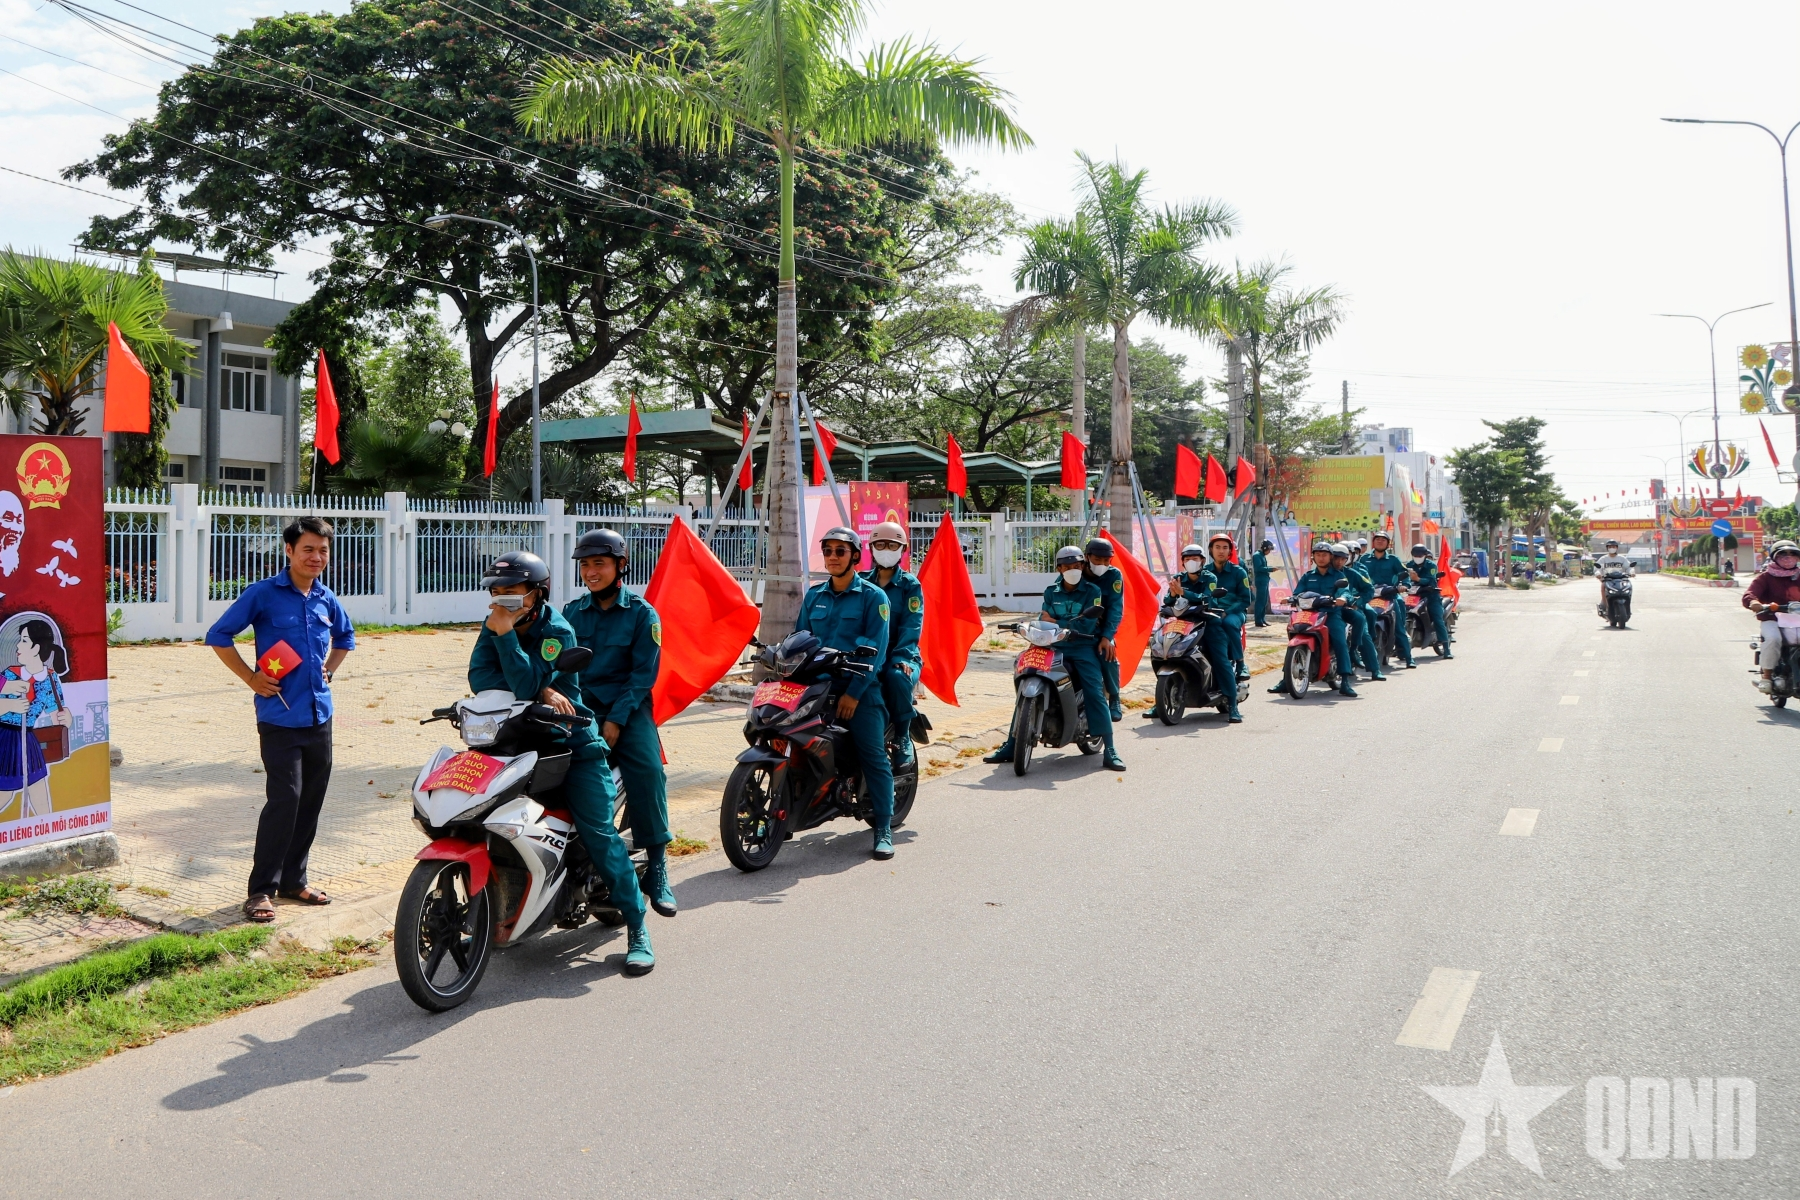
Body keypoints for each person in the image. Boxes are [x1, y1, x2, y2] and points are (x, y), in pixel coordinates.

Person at [471, 550, 654, 975]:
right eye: (496, 590)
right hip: (513, 739)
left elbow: (522, 681)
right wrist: (540, 689)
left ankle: (637, 926)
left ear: (537, 593)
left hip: (570, 745)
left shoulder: (556, 629)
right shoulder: (495, 620)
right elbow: (479, 676)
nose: (502, 598)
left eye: (513, 590)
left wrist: (508, 642)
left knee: (599, 834)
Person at [206, 516, 355, 925]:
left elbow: (345, 637)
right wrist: (251, 678)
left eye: (323, 550)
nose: (316, 557)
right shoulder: (264, 594)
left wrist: (330, 669)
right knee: (285, 799)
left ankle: (294, 881)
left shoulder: (326, 598)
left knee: (310, 801)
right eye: (308, 549)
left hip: (319, 716)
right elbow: (218, 636)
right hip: (279, 717)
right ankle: (261, 890)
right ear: (289, 551)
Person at [558, 529, 676, 919]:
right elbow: (554, 665)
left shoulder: (642, 614)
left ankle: (657, 867)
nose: (591, 572)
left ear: (620, 565)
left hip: (629, 708)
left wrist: (616, 721)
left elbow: (642, 677)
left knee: (648, 770)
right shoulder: (572, 613)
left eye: (599, 564)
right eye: (585, 565)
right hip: (582, 709)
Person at [796, 527, 898, 859]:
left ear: (855, 556)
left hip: (860, 689)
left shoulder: (873, 597)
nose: (833, 557)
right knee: (792, 740)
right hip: (817, 687)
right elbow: (799, 640)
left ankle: (883, 826)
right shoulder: (814, 596)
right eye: (828, 551)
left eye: (840, 551)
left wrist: (853, 694)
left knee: (872, 753)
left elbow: (876, 651)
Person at [986, 545, 1125, 769]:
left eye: (1076, 566)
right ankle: (1012, 744)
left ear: (1083, 565)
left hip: (1083, 646)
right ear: (1059, 569)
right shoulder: (1052, 591)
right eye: (1067, 567)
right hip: (1054, 645)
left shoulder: (1093, 591)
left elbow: (1087, 624)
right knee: (1025, 683)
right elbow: (1044, 617)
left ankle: (1110, 749)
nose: (1072, 570)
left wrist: (1058, 622)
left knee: (1094, 692)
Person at [1147, 542, 1241, 723]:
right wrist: (1173, 594)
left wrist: (1183, 592)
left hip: (1209, 623)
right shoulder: (1178, 578)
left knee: (1220, 660)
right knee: (1163, 653)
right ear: (1183, 562)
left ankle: (1232, 704)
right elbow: (1168, 600)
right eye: (1187, 559)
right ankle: (1161, 700)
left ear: (1202, 561)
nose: (1191, 561)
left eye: (1195, 558)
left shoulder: (1210, 577)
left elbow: (1207, 598)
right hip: (1184, 623)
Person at [863, 521, 924, 767]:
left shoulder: (910, 586)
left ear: (903, 550)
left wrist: (901, 657)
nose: (885, 550)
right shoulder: (862, 582)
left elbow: (911, 626)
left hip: (901, 656)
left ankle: (902, 736)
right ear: (871, 548)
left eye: (892, 545)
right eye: (880, 545)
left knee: (897, 677)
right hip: (868, 655)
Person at [0, 619, 72, 819]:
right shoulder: (9, 675)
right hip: (4, 738)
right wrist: (9, 706)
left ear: (36, 647)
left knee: (38, 790)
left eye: (24, 640)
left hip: (27, 740)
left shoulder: (50, 678)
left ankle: (48, 830)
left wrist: (66, 719)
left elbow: (56, 714)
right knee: (5, 794)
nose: (17, 646)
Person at [1270, 542, 1357, 697]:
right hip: (1309, 614)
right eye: (1318, 555)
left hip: (1330, 615)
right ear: (1313, 557)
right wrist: (1290, 598)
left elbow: (1345, 591)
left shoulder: (1338, 576)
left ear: (1330, 557)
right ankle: (1285, 680)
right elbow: (1298, 593)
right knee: (1294, 635)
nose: (1321, 558)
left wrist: (1343, 598)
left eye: (1324, 555)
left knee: (1339, 640)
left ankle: (1345, 681)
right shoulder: (1308, 576)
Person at [1744, 539, 1800, 692]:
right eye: (1783, 554)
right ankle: (1767, 677)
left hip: (1797, 619)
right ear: (1775, 557)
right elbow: (1750, 594)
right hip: (1772, 619)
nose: (1788, 558)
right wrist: (1754, 602)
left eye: (1792, 554)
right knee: (1773, 639)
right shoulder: (1765, 577)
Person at [1084, 538, 1126, 722]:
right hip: (1075, 626)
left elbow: (1116, 608)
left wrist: (1107, 637)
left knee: (1107, 654)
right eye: (1097, 559)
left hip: (1101, 629)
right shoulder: (1075, 571)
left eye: (1106, 560)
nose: (1102, 564)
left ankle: (1114, 698)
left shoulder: (1114, 575)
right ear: (1087, 557)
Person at [1360, 532, 1416, 669]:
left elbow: (1404, 575)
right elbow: (1357, 575)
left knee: (1399, 627)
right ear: (1373, 542)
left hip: (1389, 596)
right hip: (1369, 596)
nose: (1380, 541)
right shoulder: (1364, 559)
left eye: (1383, 540)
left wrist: (1405, 585)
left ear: (1388, 543)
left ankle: (1408, 658)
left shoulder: (1393, 559)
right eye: (1377, 539)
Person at [1205, 534, 1253, 681]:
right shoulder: (1205, 572)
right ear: (1211, 550)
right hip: (1210, 612)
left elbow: (1245, 599)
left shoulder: (1239, 572)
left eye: (1225, 547)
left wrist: (1228, 611)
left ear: (1230, 551)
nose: (1221, 551)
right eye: (1217, 547)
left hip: (1234, 612)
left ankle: (1240, 664)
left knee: (1228, 623)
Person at [1334, 542, 1385, 682]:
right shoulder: (1323, 571)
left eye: (1344, 556)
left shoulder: (1355, 571)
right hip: (1327, 609)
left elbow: (1368, 588)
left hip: (1352, 606)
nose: (1339, 560)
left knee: (1364, 632)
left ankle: (1374, 669)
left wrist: (1358, 603)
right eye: (1336, 557)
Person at [1409, 542, 1453, 659]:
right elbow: (1402, 577)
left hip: (1431, 596)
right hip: (1415, 596)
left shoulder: (1431, 566)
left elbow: (1431, 579)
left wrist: (1418, 579)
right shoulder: (1409, 565)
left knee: (1437, 619)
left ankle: (1447, 649)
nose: (1418, 557)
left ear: (1425, 555)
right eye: (1415, 555)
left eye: (1420, 555)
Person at [1594, 539, 1632, 617]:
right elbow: (1597, 568)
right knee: (1603, 587)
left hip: (1621, 580)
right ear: (1607, 548)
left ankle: (1627, 606)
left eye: (1613, 547)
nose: (1612, 548)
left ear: (1617, 548)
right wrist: (1598, 574)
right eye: (1610, 547)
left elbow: (1628, 567)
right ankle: (1604, 605)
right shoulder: (1603, 559)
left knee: (1628, 589)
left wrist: (1632, 572)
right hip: (1607, 580)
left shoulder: (1622, 558)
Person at [1251, 539, 1275, 626]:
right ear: (1265, 548)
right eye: (1269, 550)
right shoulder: (1257, 556)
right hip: (1261, 581)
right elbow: (1258, 568)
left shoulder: (1262, 555)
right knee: (1260, 601)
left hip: (1264, 580)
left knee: (1264, 601)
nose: (1269, 552)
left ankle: (1262, 619)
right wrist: (1270, 569)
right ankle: (1258, 620)